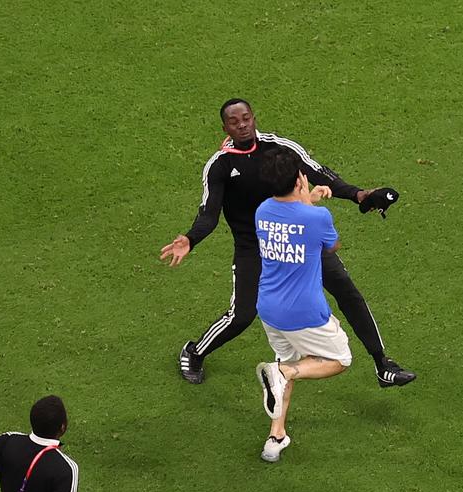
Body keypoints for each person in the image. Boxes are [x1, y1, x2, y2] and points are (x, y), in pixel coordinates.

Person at [160, 99, 415, 389]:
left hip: (296, 236)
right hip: (255, 248)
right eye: (234, 121)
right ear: (225, 128)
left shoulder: (279, 148)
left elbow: (320, 174)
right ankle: (194, 351)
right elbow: (209, 214)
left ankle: (383, 364)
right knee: (242, 315)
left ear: (254, 118)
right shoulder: (219, 165)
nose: (242, 125)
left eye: (246, 118)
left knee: (347, 291)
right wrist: (190, 239)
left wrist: (359, 195)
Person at [253, 148, 352, 462]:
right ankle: (284, 372)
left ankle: (275, 437)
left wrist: (305, 199)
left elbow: (292, 222)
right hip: (305, 313)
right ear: (299, 179)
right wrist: (309, 202)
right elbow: (331, 245)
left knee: (287, 359)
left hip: (269, 308)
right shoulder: (317, 217)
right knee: (339, 358)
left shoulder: (262, 211)